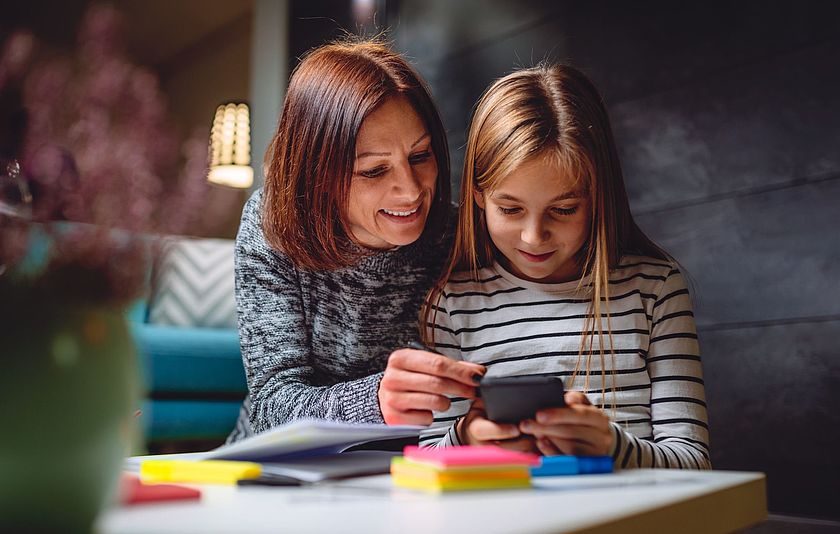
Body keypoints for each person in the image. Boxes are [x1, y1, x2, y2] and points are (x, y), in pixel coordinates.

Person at [416, 64, 711, 470]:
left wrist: (612, 446)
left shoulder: (655, 288)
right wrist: (468, 438)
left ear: (597, 199)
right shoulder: (453, 303)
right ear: (478, 195)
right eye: (511, 209)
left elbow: (694, 463)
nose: (534, 236)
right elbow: (426, 463)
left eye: (564, 209)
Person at [227, 38, 485, 442]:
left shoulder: (457, 234)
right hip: (278, 466)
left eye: (420, 156)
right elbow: (272, 404)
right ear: (318, 174)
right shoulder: (271, 225)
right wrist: (377, 401)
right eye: (374, 171)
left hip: (413, 468)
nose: (411, 190)